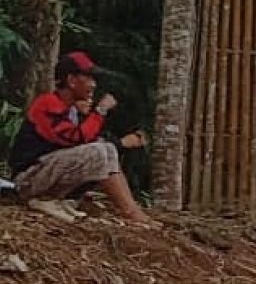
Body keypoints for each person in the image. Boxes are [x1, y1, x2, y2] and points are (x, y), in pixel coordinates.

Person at [8, 51, 156, 227]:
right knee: (99, 151)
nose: (94, 85)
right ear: (71, 80)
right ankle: (131, 213)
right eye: (89, 79)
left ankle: (132, 210)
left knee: (106, 149)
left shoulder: (70, 109)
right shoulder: (47, 104)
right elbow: (78, 139)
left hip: (46, 174)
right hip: (28, 180)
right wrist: (100, 111)